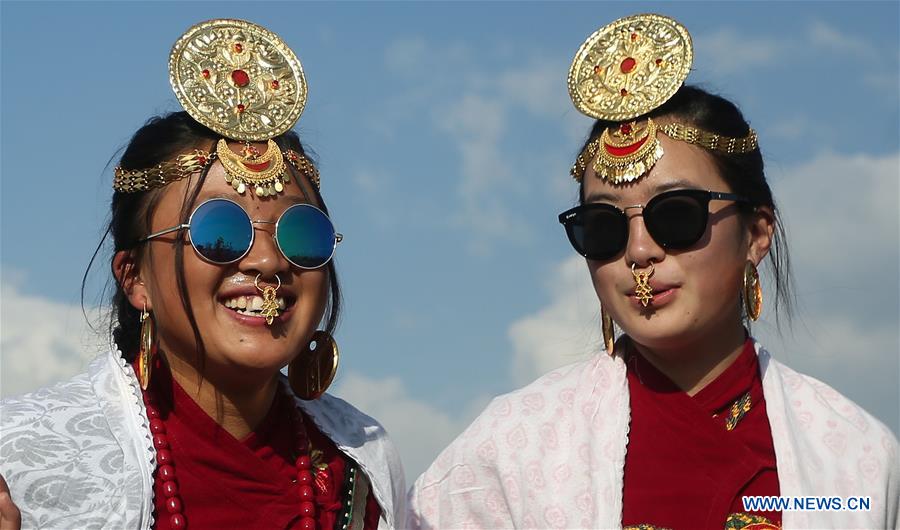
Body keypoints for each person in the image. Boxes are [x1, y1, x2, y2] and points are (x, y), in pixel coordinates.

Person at [408, 13, 898, 530]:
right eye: (603, 227)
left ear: (756, 233)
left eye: (676, 215)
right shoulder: (505, 453)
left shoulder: (853, 453)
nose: (639, 252)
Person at [0, 19, 405, 529]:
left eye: (301, 234)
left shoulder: (362, 463)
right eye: (220, 232)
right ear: (134, 278)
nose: (267, 262)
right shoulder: (25, 457)